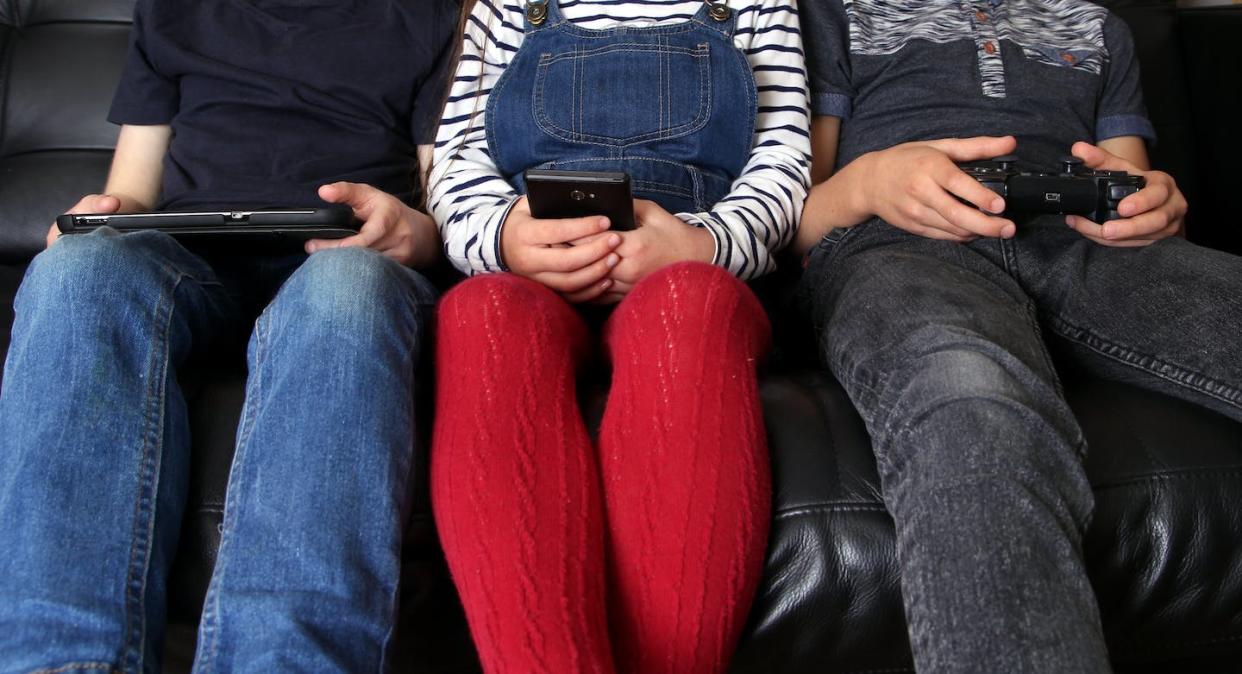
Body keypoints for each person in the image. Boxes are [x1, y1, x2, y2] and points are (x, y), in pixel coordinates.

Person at [0, 0, 457, 670]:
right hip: (191, 258)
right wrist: (101, 216)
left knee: (344, 291)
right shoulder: (173, 12)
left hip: (348, 256)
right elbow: (131, 189)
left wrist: (412, 231)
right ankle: (61, 658)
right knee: (76, 267)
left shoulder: (428, 17)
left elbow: (442, 202)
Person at [794, 0, 1242, 672]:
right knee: (969, 401)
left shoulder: (1098, 27)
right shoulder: (830, 15)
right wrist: (870, 182)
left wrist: (1156, 204)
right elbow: (792, 217)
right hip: (896, 245)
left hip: (1088, 246)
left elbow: (1132, 179)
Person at [424, 0, 810, 671]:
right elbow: (457, 158)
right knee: (482, 313)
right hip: (535, 262)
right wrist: (503, 239)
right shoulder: (508, 7)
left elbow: (783, 161)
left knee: (691, 304)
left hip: (687, 254)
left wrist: (702, 246)